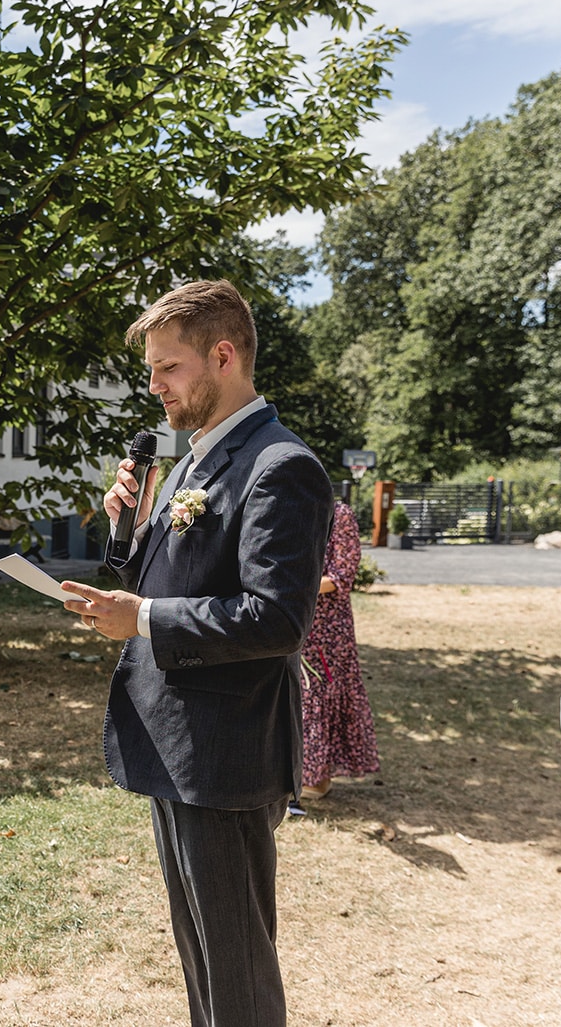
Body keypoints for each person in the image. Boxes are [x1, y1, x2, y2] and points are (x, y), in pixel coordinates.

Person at [60, 280, 333, 1027]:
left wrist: (141, 617)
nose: (155, 387)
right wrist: (126, 527)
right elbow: (160, 576)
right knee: (200, 957)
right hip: (175, 743)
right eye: (151, 370)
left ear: (222, 355)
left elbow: (275, 618)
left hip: (228, 751)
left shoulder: (281, 466)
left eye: (167, 367)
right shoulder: (188, 465)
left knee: (237, 968)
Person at [296, 500, 380, 805]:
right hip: (294, 615)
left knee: (320, 692)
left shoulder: (338, 514)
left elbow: (342, 575)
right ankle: (303, 772)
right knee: (301, 695)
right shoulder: (289, 509)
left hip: (328, 624)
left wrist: (293, 587)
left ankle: (317, 778)